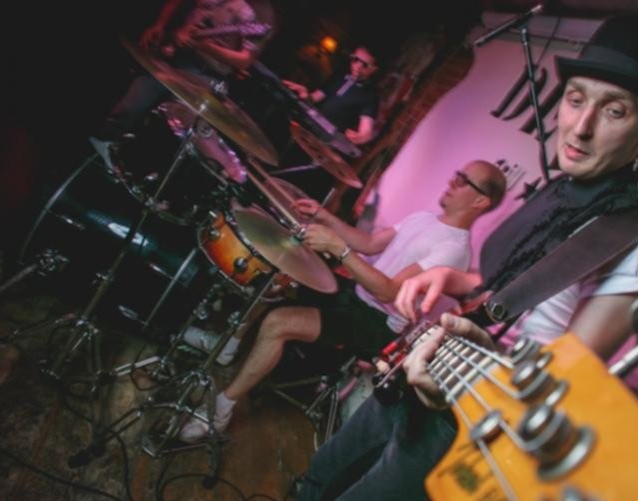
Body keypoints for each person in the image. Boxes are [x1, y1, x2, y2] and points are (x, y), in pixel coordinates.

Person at [200, 15, 638, 501]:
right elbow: (507, 287)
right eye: (575, 99)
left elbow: (563, 375)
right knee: (324, 471)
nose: (581, 126)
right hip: (424, 364)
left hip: (467, 418)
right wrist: (449, 280)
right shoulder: (558, 190)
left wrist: (467, 360)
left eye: (614, 111)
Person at [176, 160, 507, 441]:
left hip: (377, 323)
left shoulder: (453, 250)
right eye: (457, 174)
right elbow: (370, 244)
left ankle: (220, 411)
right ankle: (227, 346)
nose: (453, 181)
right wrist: (325, 217)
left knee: (278, 323)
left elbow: (390, 292)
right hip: (357, 295)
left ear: (480, 201)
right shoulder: (424, 218)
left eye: (463, 180)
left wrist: (339, 249)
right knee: (278, 276)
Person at [89, 0, 276, 182]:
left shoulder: (262, 11)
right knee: (128, 107)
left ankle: (145, 177)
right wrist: (160, 24)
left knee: (174, 127)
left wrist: (203, 47)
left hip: (206, 73)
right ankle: (97, 153)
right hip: (172, 52)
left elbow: (244, 60)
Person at [282, 44, 382, 146]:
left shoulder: (370, 95)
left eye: (365, 65)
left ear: (373, 70)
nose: (358, 66)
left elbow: (366, 131)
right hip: (308, 125)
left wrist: (362, 136)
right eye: (355, 59)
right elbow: (315, 98)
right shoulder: (339, 75)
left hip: (326, 141)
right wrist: (306, 94)